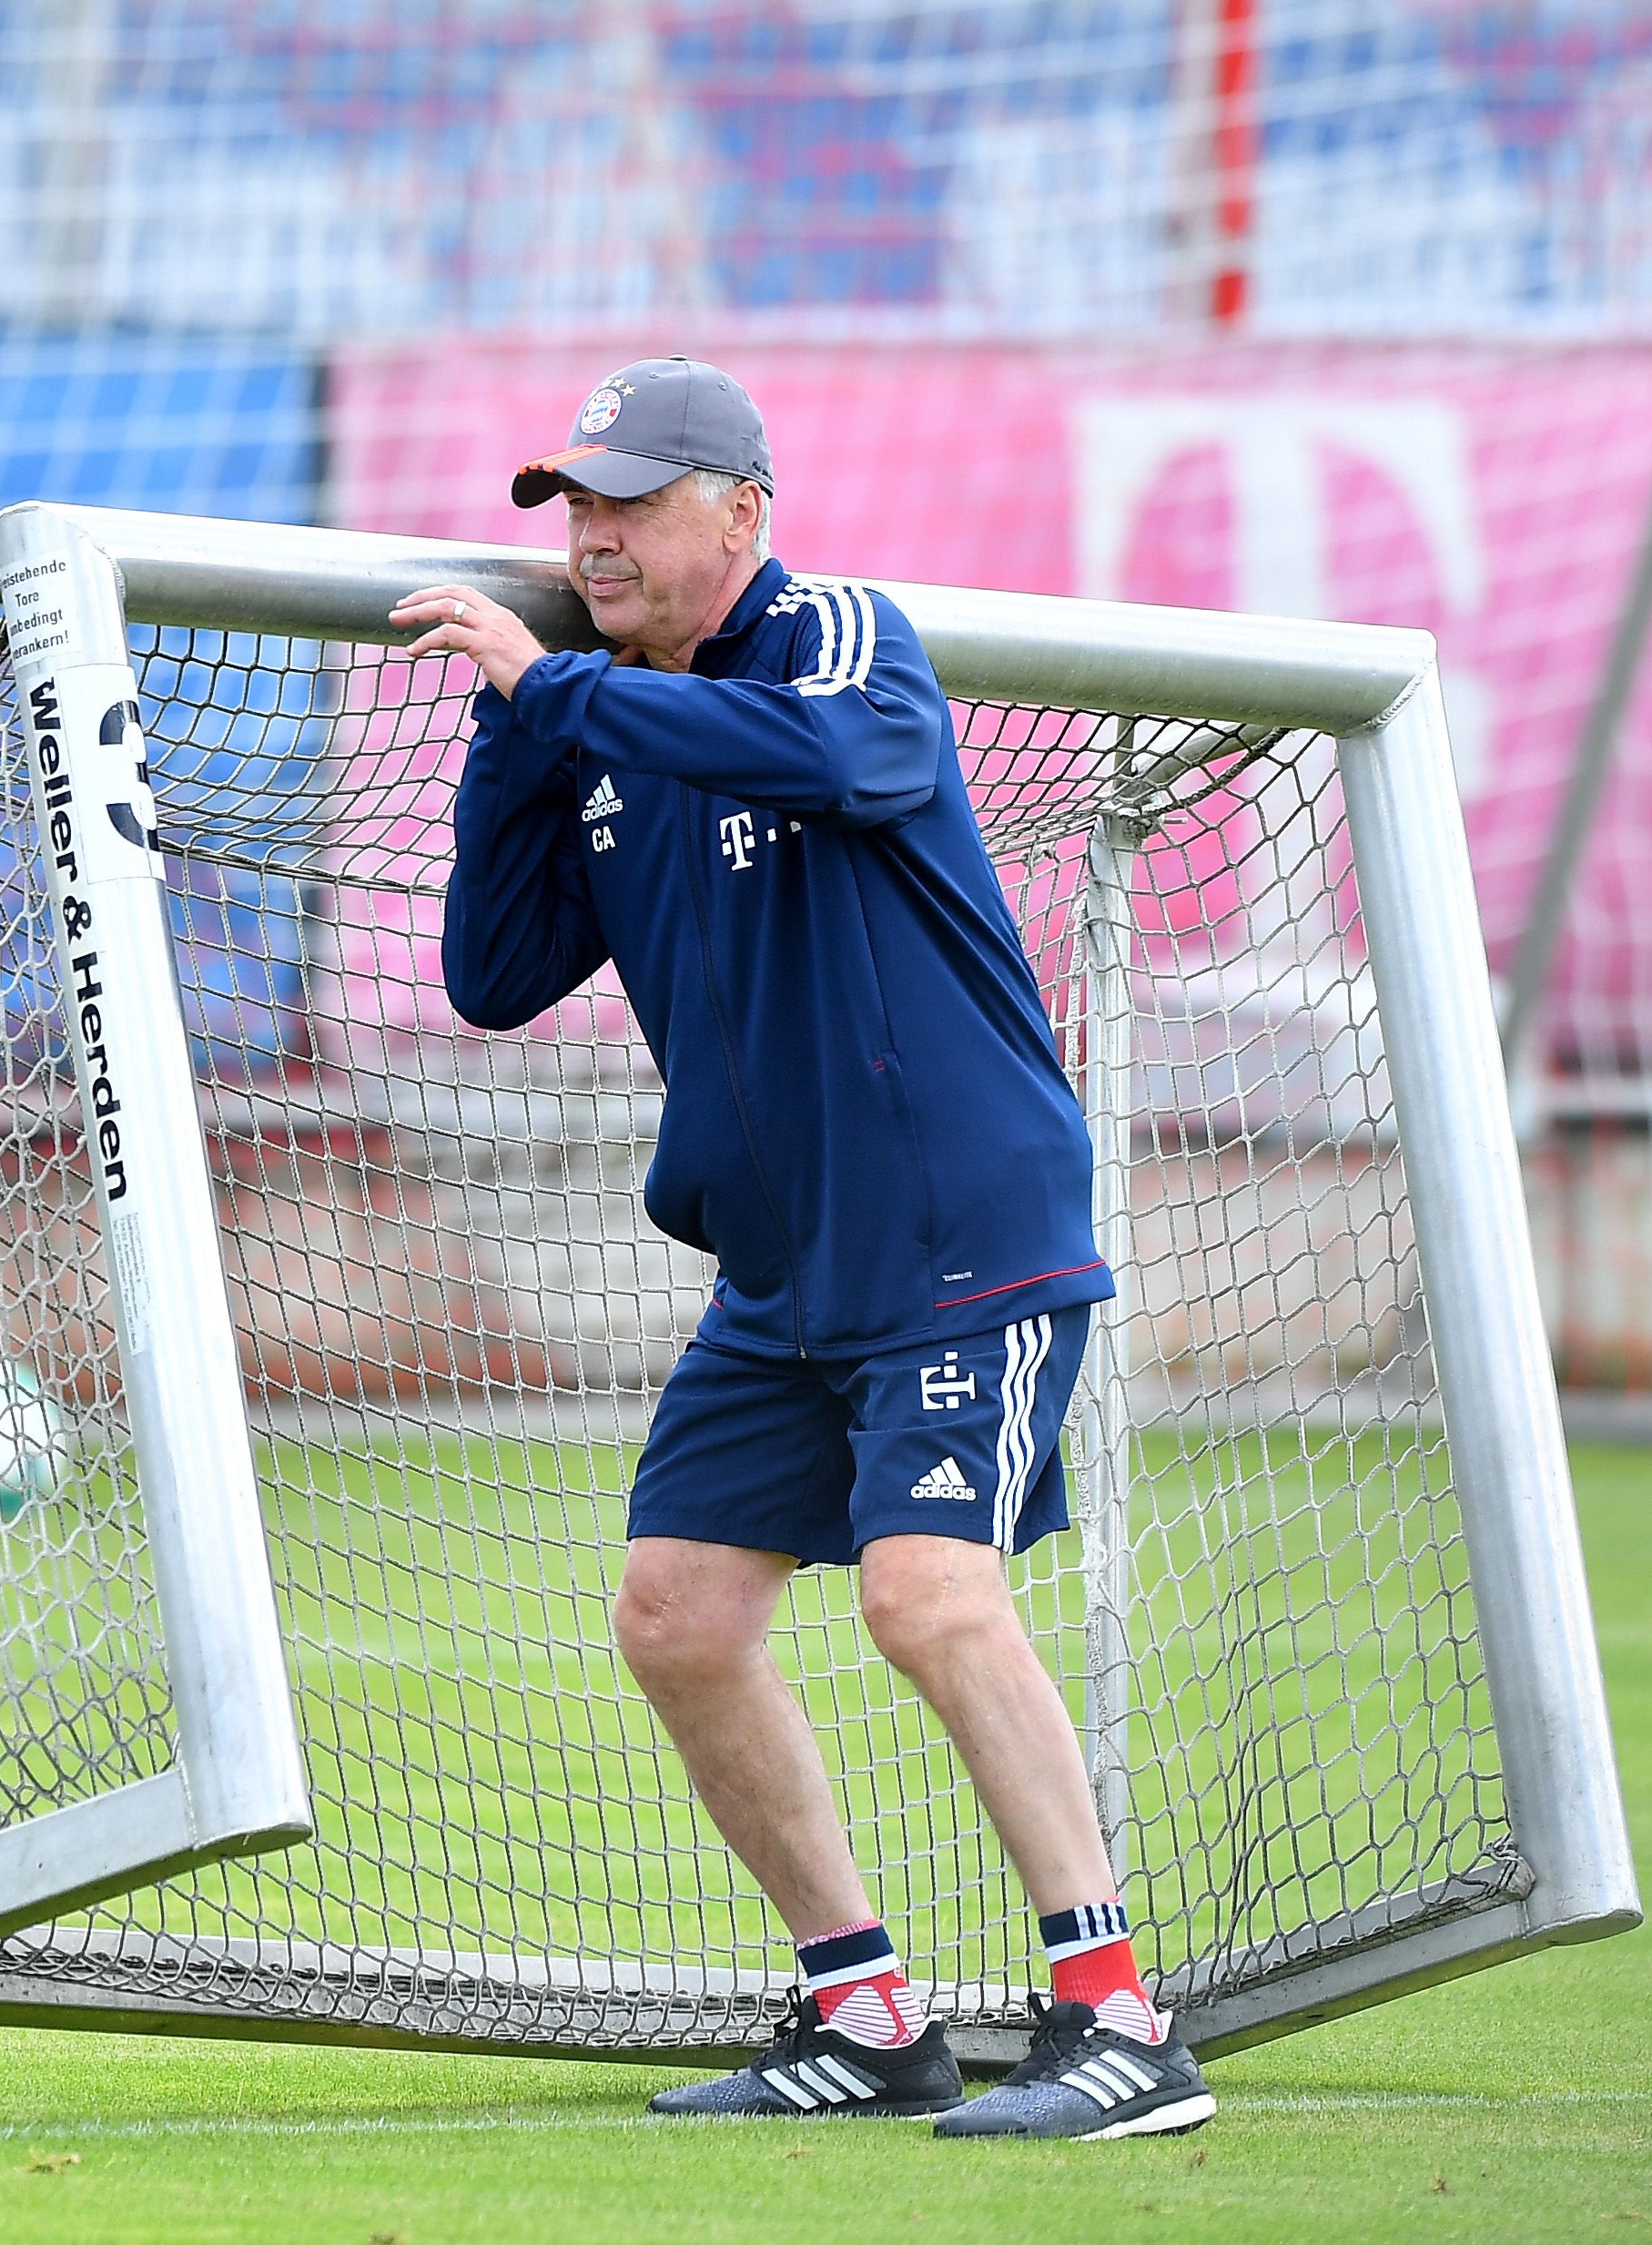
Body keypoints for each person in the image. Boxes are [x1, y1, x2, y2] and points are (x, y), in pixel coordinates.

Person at [390, 356, 1214, 2141]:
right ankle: (865, 2012)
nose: (593, 534)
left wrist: (568, 689)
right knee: (678, 1615)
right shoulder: (605, 718)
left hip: (956, 1228)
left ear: (741, 513)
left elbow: (846, 756)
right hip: (780, 1268)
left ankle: (1121, 2016)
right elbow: (491, 970)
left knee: (926, 1591)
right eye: (572, 507)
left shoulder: (834, 634)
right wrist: (512, 736)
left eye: (630, 498)